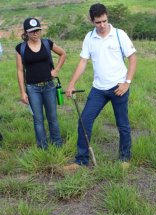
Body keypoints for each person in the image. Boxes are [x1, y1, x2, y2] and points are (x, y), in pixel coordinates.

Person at [63, 3, 137, 170]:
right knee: (84, 121)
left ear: (107, 16)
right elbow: (83, 61)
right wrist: (71, 84)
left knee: (122, 123)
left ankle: (125, 158)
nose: (102, 25)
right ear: (91, 21)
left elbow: (132, 58)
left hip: (119, 87)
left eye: (104, 21)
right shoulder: (89, 37)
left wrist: (127, 83)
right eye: (98, 22)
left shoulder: (119, 34)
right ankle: (81, 161)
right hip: (98, 89)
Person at [15, 17, 66, 149]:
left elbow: (63, 54)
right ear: (26, 32)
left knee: (53, 118)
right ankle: (43, 148)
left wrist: (56, 70)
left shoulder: (47, 43)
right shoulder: (20, 48)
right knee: (38, 120)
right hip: (32, 89)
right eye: (32, 31)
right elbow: (20, 71)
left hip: (49, 86)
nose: (36, 33)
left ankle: (57, 145)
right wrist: (22, 92)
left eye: (38, 30)